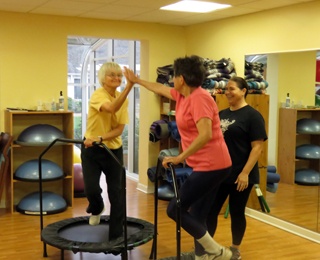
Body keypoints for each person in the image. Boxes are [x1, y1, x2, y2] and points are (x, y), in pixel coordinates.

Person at [124, 55, 233, 260]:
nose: (171, 79)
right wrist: (137, 81)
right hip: (209, 164)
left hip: (213, 165)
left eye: (174, 75)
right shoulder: (183, 95)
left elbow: (206, 134)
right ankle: (203, 256)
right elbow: (160, 89)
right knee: (198, 213)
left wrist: (179, 157)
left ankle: (216, 251)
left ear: (181, 78)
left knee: (175, 208)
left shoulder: (200, 98)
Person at [201, 76, 268, 260]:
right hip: (220, 173)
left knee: (237, 213)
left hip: (241, 175)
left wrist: (245, 173)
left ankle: (235, 248)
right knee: (211, 211)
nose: (228, 92)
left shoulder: (253, 116)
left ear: (243, 91)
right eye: (227, 89)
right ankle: (209, 248)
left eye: (232, 89)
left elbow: (257, 148)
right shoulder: (221, 114)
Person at [81, 62, 134, 243]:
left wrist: (102, 138)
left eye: (119, 75)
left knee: (117, 193)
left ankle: (116, 236)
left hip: (113, 150)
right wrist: (129, 86)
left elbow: (119, 130)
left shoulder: (122, 98)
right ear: (103, 78)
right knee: (91, 188)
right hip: (91, 148)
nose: (116, 78)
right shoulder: (98, 95)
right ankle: (96, 207)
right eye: (112, 75)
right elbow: (111, 108)